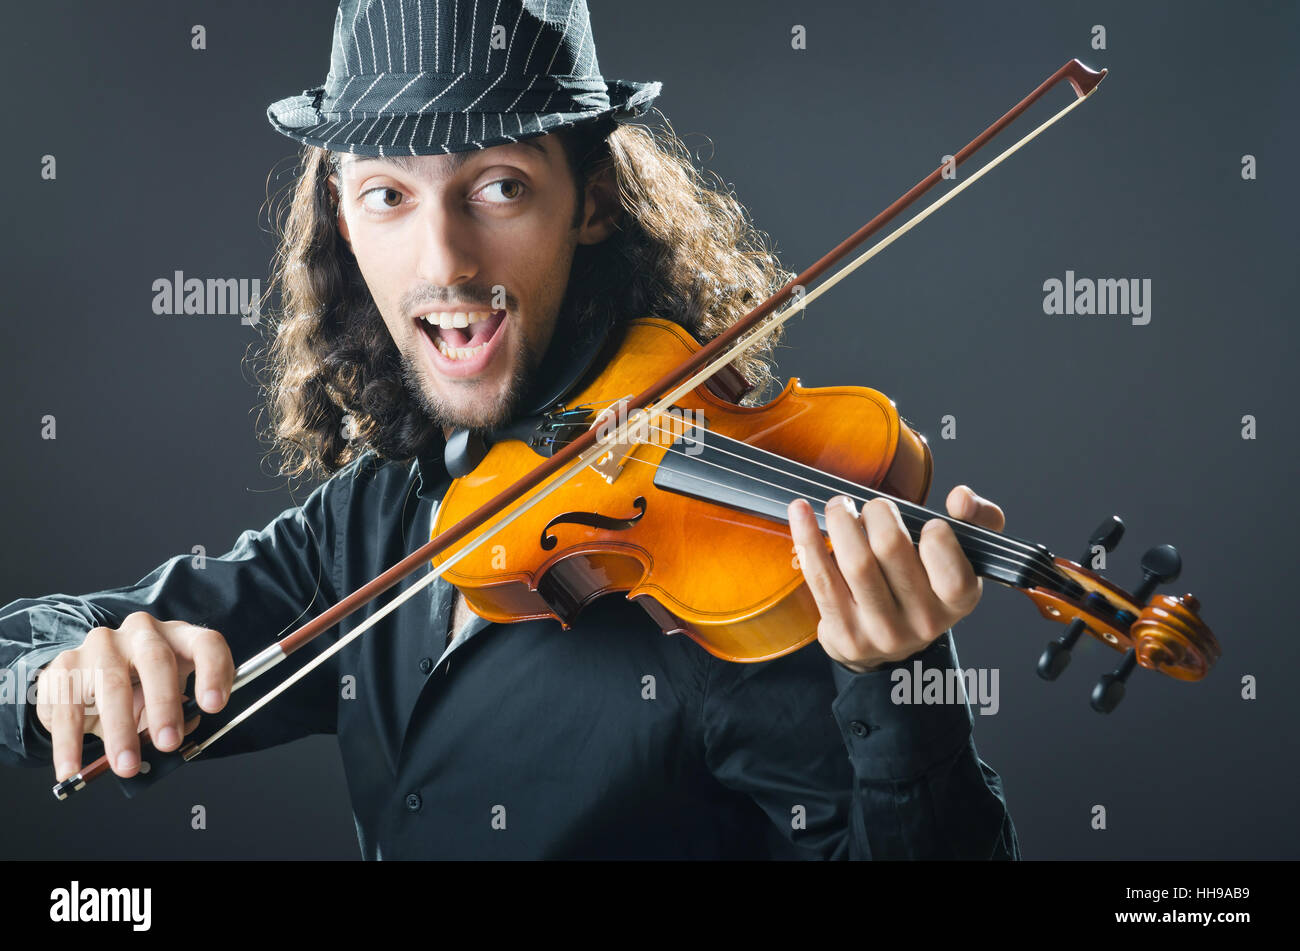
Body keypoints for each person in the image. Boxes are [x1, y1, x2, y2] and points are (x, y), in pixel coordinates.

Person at [0, 0, 1018, 859]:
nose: (444, 259)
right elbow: (22, 642)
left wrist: (901, 690)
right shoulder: (369, 522)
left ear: (593, 203)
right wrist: (56, 678)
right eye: (388, 195)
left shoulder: (723, 591)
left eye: (498, 187)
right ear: (345, 221)